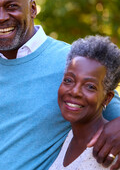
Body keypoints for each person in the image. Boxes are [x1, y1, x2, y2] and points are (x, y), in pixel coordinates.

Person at [0, 0, 120, 170]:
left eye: (12, 6)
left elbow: (109, 107)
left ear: (32, 9)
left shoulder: (72, 63)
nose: (1, 17)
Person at [49, 35, 120, 169]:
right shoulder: (70, 137)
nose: (75, 91)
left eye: (90, 86)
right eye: (69, 80)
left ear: (107, 98)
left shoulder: (113, 151)